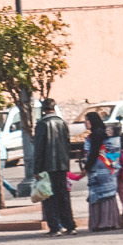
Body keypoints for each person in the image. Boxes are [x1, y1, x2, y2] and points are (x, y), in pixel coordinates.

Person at [33, 97, 76, 236]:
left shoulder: (42, 124)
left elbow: (39, 148)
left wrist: (36, 169)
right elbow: (67, 144)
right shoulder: (62, 123)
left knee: (49, 196)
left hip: (47, 165)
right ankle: (69, 225)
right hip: (61, 165)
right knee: (63, 195)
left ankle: (55, 227)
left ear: (43, 109)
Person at [83, 111, 121, 231]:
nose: (85, 123)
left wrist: (86, 167)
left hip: (99, 170)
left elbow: (94, 153)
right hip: (108, 169)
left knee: (98, 195)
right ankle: (110, 221)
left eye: (87, 120)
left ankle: (102, 223)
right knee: (108, 196)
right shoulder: (103, 132)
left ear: (92, 121)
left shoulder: (96, 134)